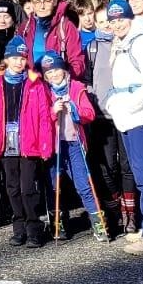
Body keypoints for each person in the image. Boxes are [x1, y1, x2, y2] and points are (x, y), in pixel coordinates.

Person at [103, 0, 143, 256]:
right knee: (141, 177)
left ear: (131, 18)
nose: (117, 24)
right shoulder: (120, 43)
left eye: (121, 18)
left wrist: (128, 105)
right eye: (113, 20)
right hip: (127, 118)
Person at [0, 38, 50, 248]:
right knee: (11, 187)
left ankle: (34, 228)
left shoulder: (35, 83)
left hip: (29, 141)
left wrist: (45, 144)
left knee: (27, 187)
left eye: (22, 58)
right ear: (6, 60)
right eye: (14, 58)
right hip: (7, 141)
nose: (18, 62)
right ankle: (18, 227)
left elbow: (44, 116)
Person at [39, 50, 108, 242]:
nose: (53, 75)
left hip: (74, 141)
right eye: (49, 73)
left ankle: (98, 222)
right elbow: (39, 119)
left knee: (83, 183)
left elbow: (89, 114)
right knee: (55, 185)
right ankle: (57, 222)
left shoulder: (76, 87)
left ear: (63, 69)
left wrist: (74, 109)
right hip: (53, 145)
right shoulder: (43, 91)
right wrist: (53, 112)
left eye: (56, 70)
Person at [88, 7, 135, 237]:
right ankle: (114, 210)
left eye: (109, 20)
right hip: (102, 116)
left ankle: (130, 215)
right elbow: (87, 79)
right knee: (107, 166)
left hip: (126, 114)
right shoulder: (92, 48)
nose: (107, 25)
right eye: (101, 21)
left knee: (128, 166)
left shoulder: (126, 43)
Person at [18, 0, 85, 79]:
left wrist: (64, 79)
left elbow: (77, 62)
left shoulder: (66, 27)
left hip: (58, 86)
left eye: (47, 1)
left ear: (54, 1)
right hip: (33, 86)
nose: (42, 6)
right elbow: (17, 58)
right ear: (32, 3)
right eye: (37, 2)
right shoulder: (25, 28)